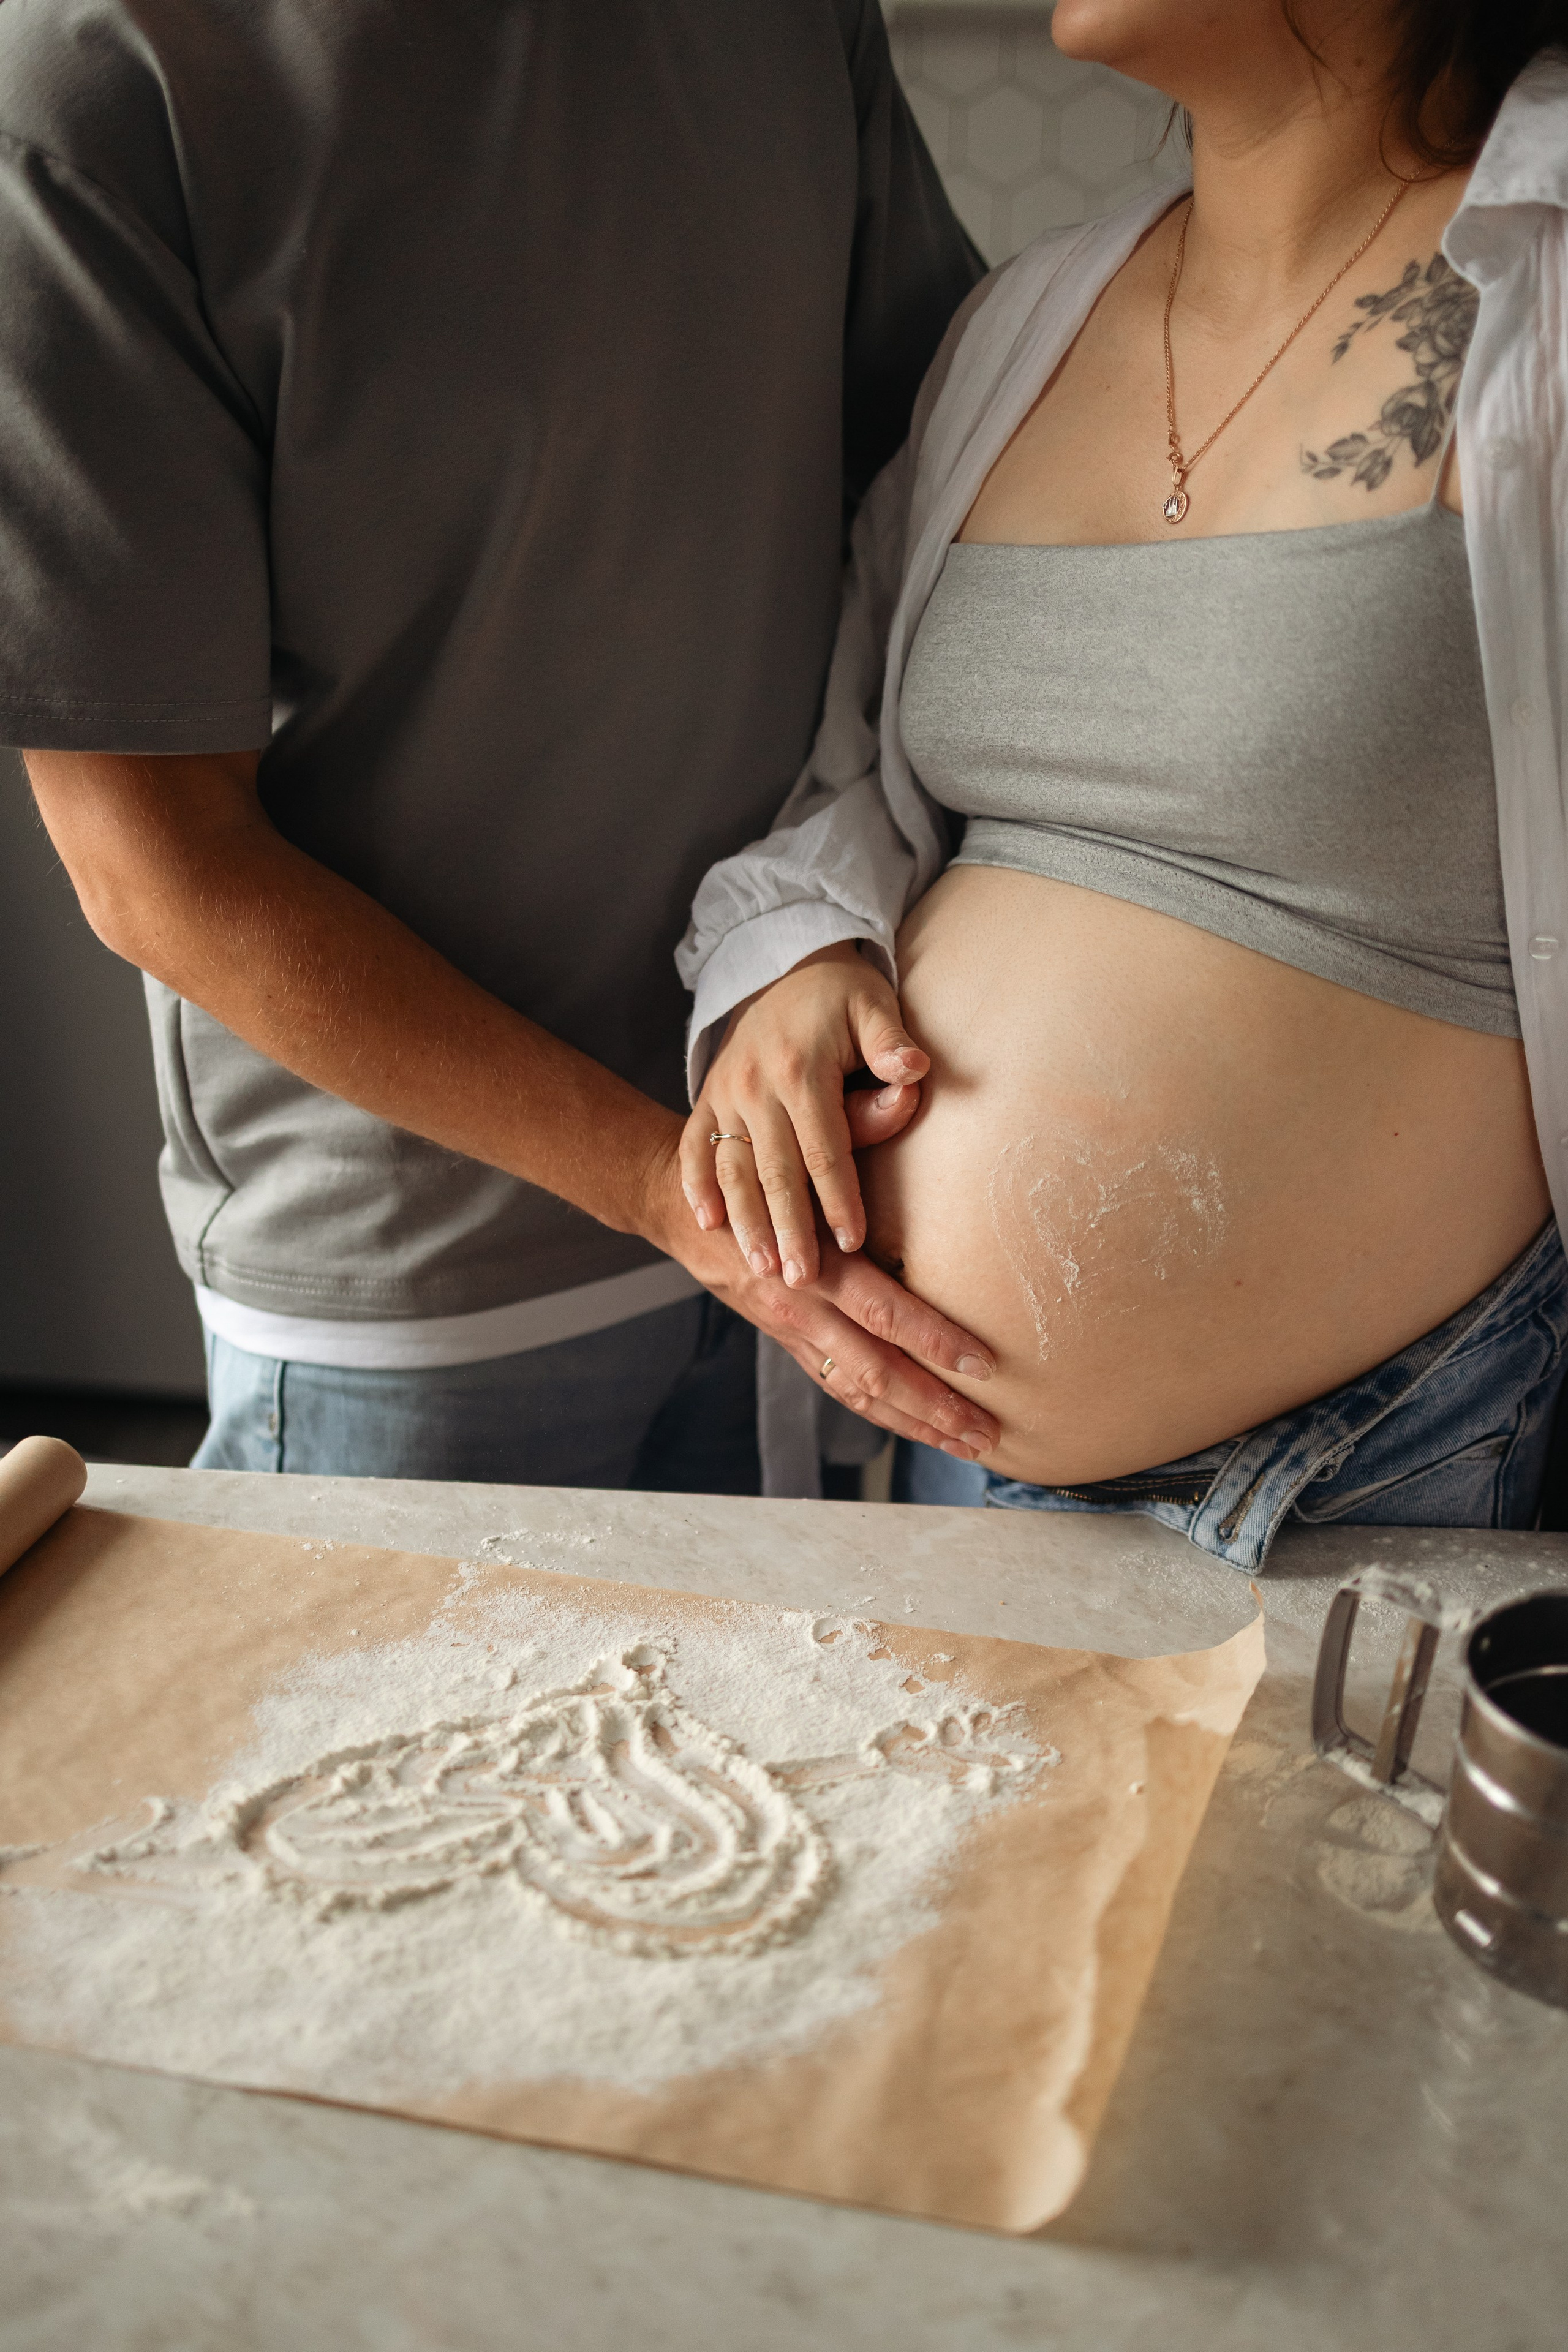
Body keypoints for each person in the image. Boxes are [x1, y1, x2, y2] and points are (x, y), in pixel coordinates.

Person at [0, 0, 1005, 1493]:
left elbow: (929, 494)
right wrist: (668, 1193)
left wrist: (814, 934)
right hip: (420, 1289)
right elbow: (155, 866)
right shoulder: (94, 83)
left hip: (802, 1203)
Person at [678, 0, 1568, 1563]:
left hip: (1383, 1460)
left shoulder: (1545, 281)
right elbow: (861, 787)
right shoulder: (1027, 318)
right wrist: (802, 956)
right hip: (952, 1463)